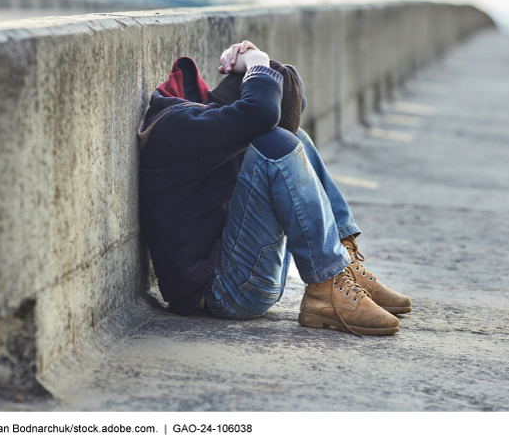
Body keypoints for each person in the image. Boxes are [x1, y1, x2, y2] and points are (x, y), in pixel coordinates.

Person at [138, 41, 412, 336]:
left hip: (247, 274)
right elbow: (262, 113)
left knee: (297, 141)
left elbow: (274, 116)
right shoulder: (180, 126)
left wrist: (263, 70)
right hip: (225, 293)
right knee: (276, 144)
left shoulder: (213, 122)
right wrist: (257, 61)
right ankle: (325, 288)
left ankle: (343, 267)